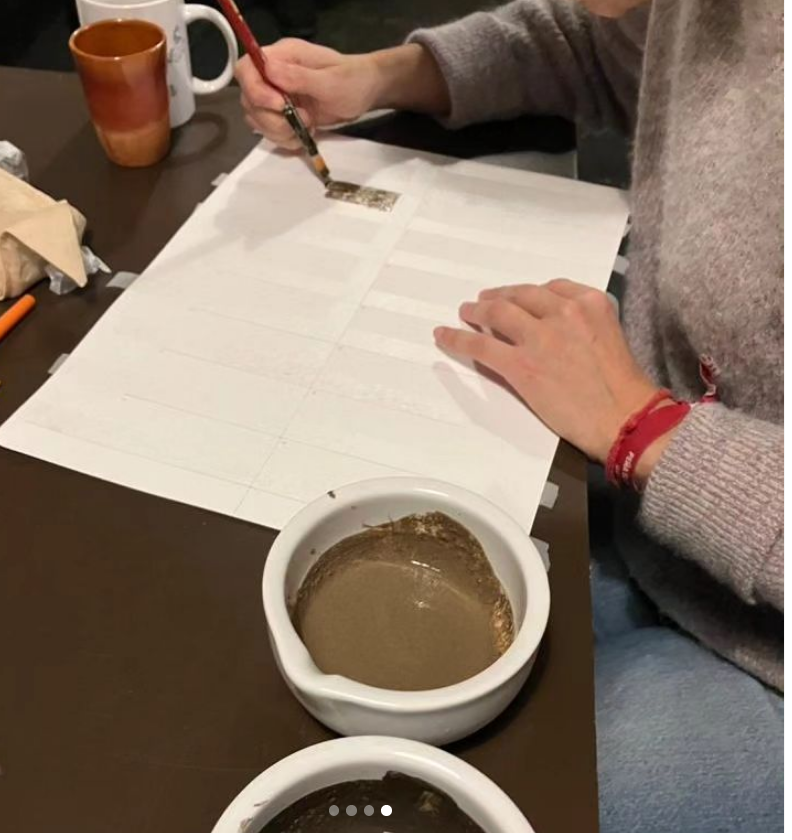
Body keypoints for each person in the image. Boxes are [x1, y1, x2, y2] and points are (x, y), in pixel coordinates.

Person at [236, 0, 783, 831]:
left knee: (508, 793)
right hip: (648, 524)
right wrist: (381, 76)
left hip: (759, 641)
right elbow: (594, 45)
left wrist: (650, 431)